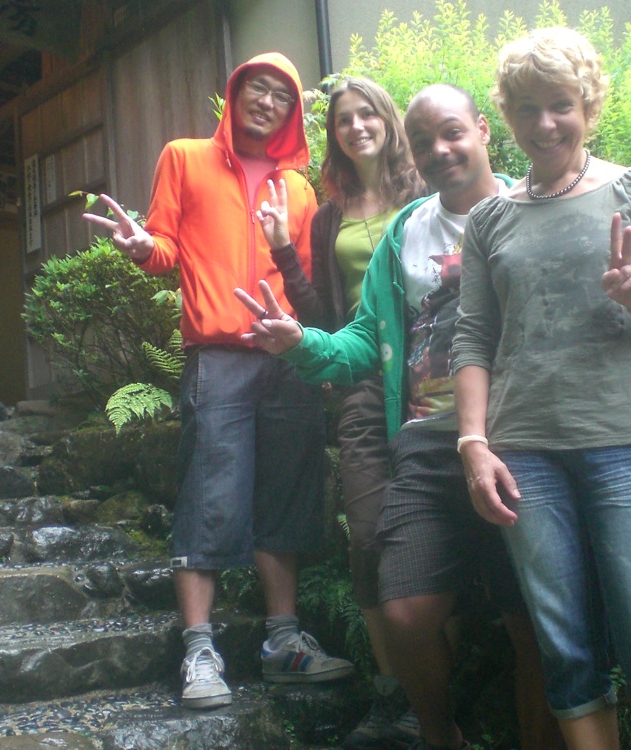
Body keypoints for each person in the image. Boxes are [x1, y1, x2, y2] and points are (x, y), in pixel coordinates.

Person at [237, 83, 563, 750]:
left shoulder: (527, 208)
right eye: (424, 143)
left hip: (522, 443)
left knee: (532, 623)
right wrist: (303, 343)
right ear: (410, 152)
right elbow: (365, 338)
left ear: (482, 130)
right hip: (426, 446)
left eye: (452, 133)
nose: (440, 150)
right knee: (407, 610)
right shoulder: (406, 230)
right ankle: (441, 733)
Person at [451, 27, 631, 750]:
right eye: (527, 108)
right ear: (508, 116)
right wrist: (474, 446)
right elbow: (474, 340)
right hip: (524, 453)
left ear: (589, 106)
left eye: (560, 104)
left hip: (630, 442)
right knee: (566, 654)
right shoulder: (490, 220)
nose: (544, 124)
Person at [82, 52, 354, 710]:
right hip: (219, 356)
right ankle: (199, 650)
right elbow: (168, 248)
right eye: (256, 89)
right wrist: (143, 246)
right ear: (235, 95)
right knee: (209, 495)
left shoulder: (300, 187)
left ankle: (283, 642)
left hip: (288, 357)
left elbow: (308, 284)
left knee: (287, 498)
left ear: (293, 112)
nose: (267, 102)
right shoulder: (185, 156)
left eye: (281, 96)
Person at [263, 76, 426, 748]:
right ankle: (396, 693)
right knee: (366, 539)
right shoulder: (330, 215)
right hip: (362, 382)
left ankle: (432, 695)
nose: (356, 126)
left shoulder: (425, 192)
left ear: (387, 120)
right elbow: (325, 317)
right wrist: (280, 249)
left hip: (433, 376)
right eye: (342, 120)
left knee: (432, 534)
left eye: (367, 114)